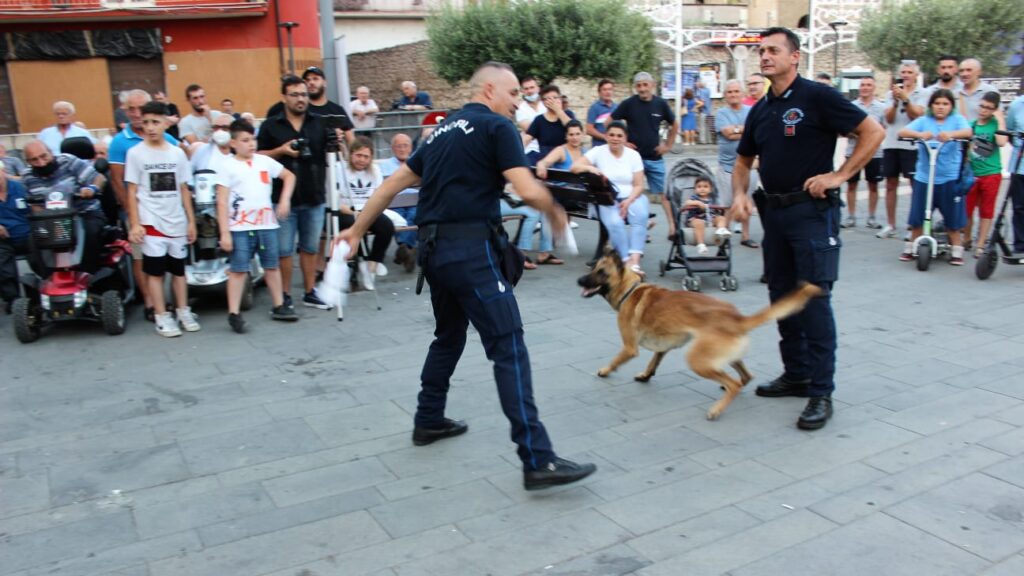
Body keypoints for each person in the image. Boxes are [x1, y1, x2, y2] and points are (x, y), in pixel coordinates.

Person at [333, 61, 596, 491]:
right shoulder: (497, 127)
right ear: (490, 90)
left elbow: (391, 184)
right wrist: (555, 209)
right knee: (508, 345)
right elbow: (528, 189)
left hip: (435, 253)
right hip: (470, 252)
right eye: (514, 95)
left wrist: (357, 229)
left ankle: (428, 419)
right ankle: (538, 459)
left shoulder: (442, 131)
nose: (518, 104)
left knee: (449, 336)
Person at [730, 27, 884, 431]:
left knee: (814, 300)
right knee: (781, 298)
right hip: (774, 215)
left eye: (773, 50)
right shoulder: (761, 109)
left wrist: (840, 175)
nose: (764, 57)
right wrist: (740, 195)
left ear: (794, 56)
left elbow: (873, 132)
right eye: (761, 51)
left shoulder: (817, 96)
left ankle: (821, 391)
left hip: (811, 213)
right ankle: (795, 375)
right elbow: (743, 160)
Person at [257, 75, 332, 311]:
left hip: (314, 196)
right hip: (282, 199)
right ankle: (285, 294)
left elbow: (326, 156)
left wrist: (335, 142)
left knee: (310, 248)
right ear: (284, 97)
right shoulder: (271, 125)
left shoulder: (319, 122)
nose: (301, 99)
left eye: (304, 94)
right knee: (284, 251)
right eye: (295, 95)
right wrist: (281, 150)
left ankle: (310, 291)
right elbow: (257, 156)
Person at [215, 120, 298, 332]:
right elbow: (222, 201)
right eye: (245, 140)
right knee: (238, 269)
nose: (250, 144)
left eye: (253, 139)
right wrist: (225, 232)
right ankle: (234, 312)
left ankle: (279, 304)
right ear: (233, 143)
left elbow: (289, 176)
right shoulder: (226, 166)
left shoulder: (264, 161)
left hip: (266, 223)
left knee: (271, 264)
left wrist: (285, 199)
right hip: (240, 226)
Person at [108, 89, 183, 321]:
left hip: (166, 215)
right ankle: (151, 303)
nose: (137, 113)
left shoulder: (168, 140)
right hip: (135, 213)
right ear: (125, 111)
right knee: (141, 257)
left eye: (141, 108)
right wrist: (132, 217)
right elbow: (119, 181)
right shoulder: (120, 143)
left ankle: (170, 303)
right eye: (132, 109)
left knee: (166, 260)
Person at [125, 101, 198, 337]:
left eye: (155, 122)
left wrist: (191, 221)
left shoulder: (177, 153)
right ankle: (161, 315)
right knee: (155, 273)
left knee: (178, 271)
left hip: (176, 221)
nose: (150, 127)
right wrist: (135, 223)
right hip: (151, 222)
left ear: (167, 123)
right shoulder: (135, 153)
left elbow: (184, 188)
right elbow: (132, 191)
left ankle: (183, 310)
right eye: (146, 122)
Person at [897, 89, 973, 264]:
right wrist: (920, 135)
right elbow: (902, 132)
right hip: (925, 176)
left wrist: (951, 135)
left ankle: (956, 250)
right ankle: (910, 247)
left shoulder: (956, 120)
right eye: (937, 103)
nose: (941, 107)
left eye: (945, 104)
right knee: (918, 216)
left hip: (949, 177)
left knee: (952, 218)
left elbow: (968, 132)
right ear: (931, 105)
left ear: (951, 106)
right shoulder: (924, 120)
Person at [572, 120, 649, 275]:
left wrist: (628, 201)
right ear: (606, 136)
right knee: (615, 223)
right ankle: (626, 261)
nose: (615, 138)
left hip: (631, 197)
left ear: (625, 138)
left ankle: (635, 261)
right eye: (611, 135)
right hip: (606, 198)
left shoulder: (633, 155)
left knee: (640, 216)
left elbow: (639, 185)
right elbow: (574, 167)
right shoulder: (598, 151)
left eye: (619, 135)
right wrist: (590, 168)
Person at [21, 140, 107, 275]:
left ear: (51, 153)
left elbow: (99, 178)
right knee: (33, 240)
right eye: (35, 160)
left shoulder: (68, 161)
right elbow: (34, 206)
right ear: (28, 162)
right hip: (51, 220)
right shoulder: (27, 177)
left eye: (44, 156)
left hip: (84, 213)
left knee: (90, 233)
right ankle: (49, 280)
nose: (41, 163)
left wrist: (91, 188)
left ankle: (88, 275)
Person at [610, 71, 679, 231]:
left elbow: (674, 124)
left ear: (652, 85)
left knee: (664, 194)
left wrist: (668, 145)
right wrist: (624, 142)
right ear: (635, 87)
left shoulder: (660, 104)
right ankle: (640, 227)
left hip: (655, 157)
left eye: (645, 85)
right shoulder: (628, 103)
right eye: (639, 85)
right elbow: (610, 122)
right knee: (634, 194)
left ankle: (673, 227)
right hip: (634, 159)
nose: (642, 89)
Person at [878, 60, 929, 239]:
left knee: (915, 185)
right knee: (890, 185)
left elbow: (917, 115)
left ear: (916, 74)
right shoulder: (890, 93)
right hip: (892, 143)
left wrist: (906, 99)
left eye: (909, 72)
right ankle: (890, 224)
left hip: (912, 145)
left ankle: (913, 225)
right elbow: (889, 119)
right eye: (904, 72)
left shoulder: (923, 93)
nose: (906, 75)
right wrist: (894, 101)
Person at [341, 137, 394, 290]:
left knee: (386, 227)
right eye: (358, 155)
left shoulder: (375, 171)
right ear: (351, 154)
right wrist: (354, 212)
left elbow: (379, 196)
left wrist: (368, 212)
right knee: (356, 225)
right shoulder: (341, 169)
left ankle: (372, 264)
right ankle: (361, 262)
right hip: (347, 209)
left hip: (369, 208)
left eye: (366, 157)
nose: (362, 160)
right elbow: (336, 201)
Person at [714, 79, 758, 247]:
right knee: (726, 204)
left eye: (736, 91)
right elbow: (726, 134)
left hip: (749, 165)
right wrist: (745, 131)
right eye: (730, 92)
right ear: (725, 96)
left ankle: (745, 236)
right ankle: (725, 237)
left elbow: (754, 133)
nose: (733, 95)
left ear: (742, 94)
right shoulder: (721, 114)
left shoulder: (751, 111)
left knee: (746, 201)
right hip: (727, 166)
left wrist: (736, 130)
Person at [964, 91, 1008, 257]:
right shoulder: (973, 124)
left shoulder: (996, 124)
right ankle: (967, 238)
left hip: (991, 173)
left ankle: (981, 243)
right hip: (973, 173)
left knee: (986, 210)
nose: (984, 110)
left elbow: (1002, 142)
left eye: (989, 108)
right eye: (982, 106)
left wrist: (1000, 118)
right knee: (967, 209)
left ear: (994, 110)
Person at [841, 76, 887, 229]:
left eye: (868, 85)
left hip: (874, 153)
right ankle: (851, 216)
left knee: (873, 185)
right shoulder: (851, 106)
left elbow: (884, 129)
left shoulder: (881, 108)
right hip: (853, 151)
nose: (865, 87)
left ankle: (871, 217)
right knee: (851, 184)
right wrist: (858, 134)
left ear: (874, 88)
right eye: (862, 85)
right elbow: (843, 129)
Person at [379, 133, 418, 273]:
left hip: (415, 201)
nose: (402, 149)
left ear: (411, 147)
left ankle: (404, 248)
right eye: (398, 146)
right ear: (393, 148)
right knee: (399, 219)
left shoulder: (417, 161)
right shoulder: (385, 165)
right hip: (395, 202)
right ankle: (408, 249)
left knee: (414, 216)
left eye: (405, 146)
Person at [0, 167, 30, 314]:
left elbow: (36, 207)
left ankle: (40, 295)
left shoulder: (20, 187)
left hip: (29, 234)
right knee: (3, 265)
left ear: (3, 171)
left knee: (44, 255)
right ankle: (12, 299)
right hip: (3, 239)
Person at [523, 84, 576, 164]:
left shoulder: (568, 114)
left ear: (560, 99)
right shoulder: (539, 120)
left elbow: (573, 128)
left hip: (566, 159)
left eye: (555, 98)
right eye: (548, 99)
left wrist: (558, 111)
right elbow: (527, 138)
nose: (553, 101)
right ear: (543, 102)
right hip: (546, 162)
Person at [682, 176, 730, 254]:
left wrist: (718, 209)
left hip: (710, 219)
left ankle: (721, 230)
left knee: (721, 218)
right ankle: (701, 244)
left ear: (710, 189)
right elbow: (687, 203)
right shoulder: (694, 198)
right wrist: (697, 203)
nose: (702, 189)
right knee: (699, 223)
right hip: (695, 219)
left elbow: (719, 208)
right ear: (695, 189)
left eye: (705, 186)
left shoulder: (713, 199)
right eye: (699, 187)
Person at [1007, 94, 1024, 255]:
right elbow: (1011, 132)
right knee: (1019, 207)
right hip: (1020, 166)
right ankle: (1020, 244)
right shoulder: (1016, 105)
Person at [586, 79, 617, 147]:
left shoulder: (617, 108)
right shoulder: (594, 108)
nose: (608, 92)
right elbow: (589, 129)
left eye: (610, 89)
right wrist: (605, 137)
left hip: (615, 148)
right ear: (599, 92)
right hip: (599, 147)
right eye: (604, 89)